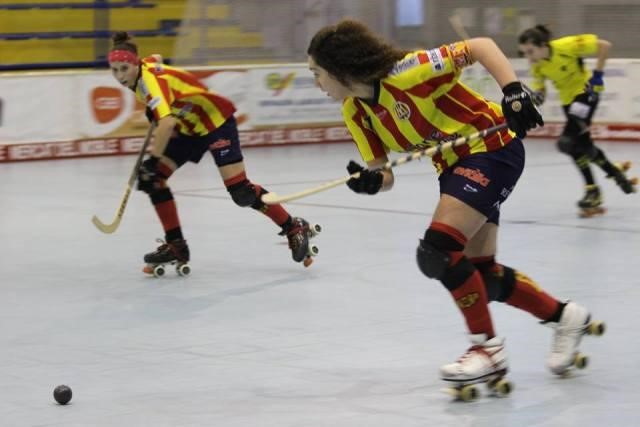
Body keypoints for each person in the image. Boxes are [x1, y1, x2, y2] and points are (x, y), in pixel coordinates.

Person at [307, 19, 604, 388]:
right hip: (452, 168)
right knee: (483, 277)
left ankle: (487, 349)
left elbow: (480, 46)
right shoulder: (355, 112)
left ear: (339, 68)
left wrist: (513, 92)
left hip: (492, 148)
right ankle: (565, 317)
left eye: (317, 73)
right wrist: (371, 182)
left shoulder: (407, 72)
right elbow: (384, 174)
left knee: (438, 251)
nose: (317, 83)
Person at [107, 32, 317, 272]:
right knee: (154, 181)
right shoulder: (145, 66)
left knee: (241, 192)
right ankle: (176, 245)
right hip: (189, 126)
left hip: (215, 121)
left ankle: (293, 226)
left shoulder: (149, 83)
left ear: (136, 63)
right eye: (114, 70)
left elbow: (166, 123)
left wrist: (154, 159)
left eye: (124, 68)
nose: (120, 76)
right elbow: (156, 57)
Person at [518, 25, 636, 216]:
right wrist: (538, 96)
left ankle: (594, 189)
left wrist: (597, 76)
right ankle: (611, 175)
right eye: (524, 53)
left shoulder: (567, 45)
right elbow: (541, 90)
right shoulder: (537, 65)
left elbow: (604, 46)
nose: (528, 58)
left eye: (530, 51)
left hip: (586, 93)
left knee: (566, 142)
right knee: (581, 145)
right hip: (568, 103)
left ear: (542, 45)